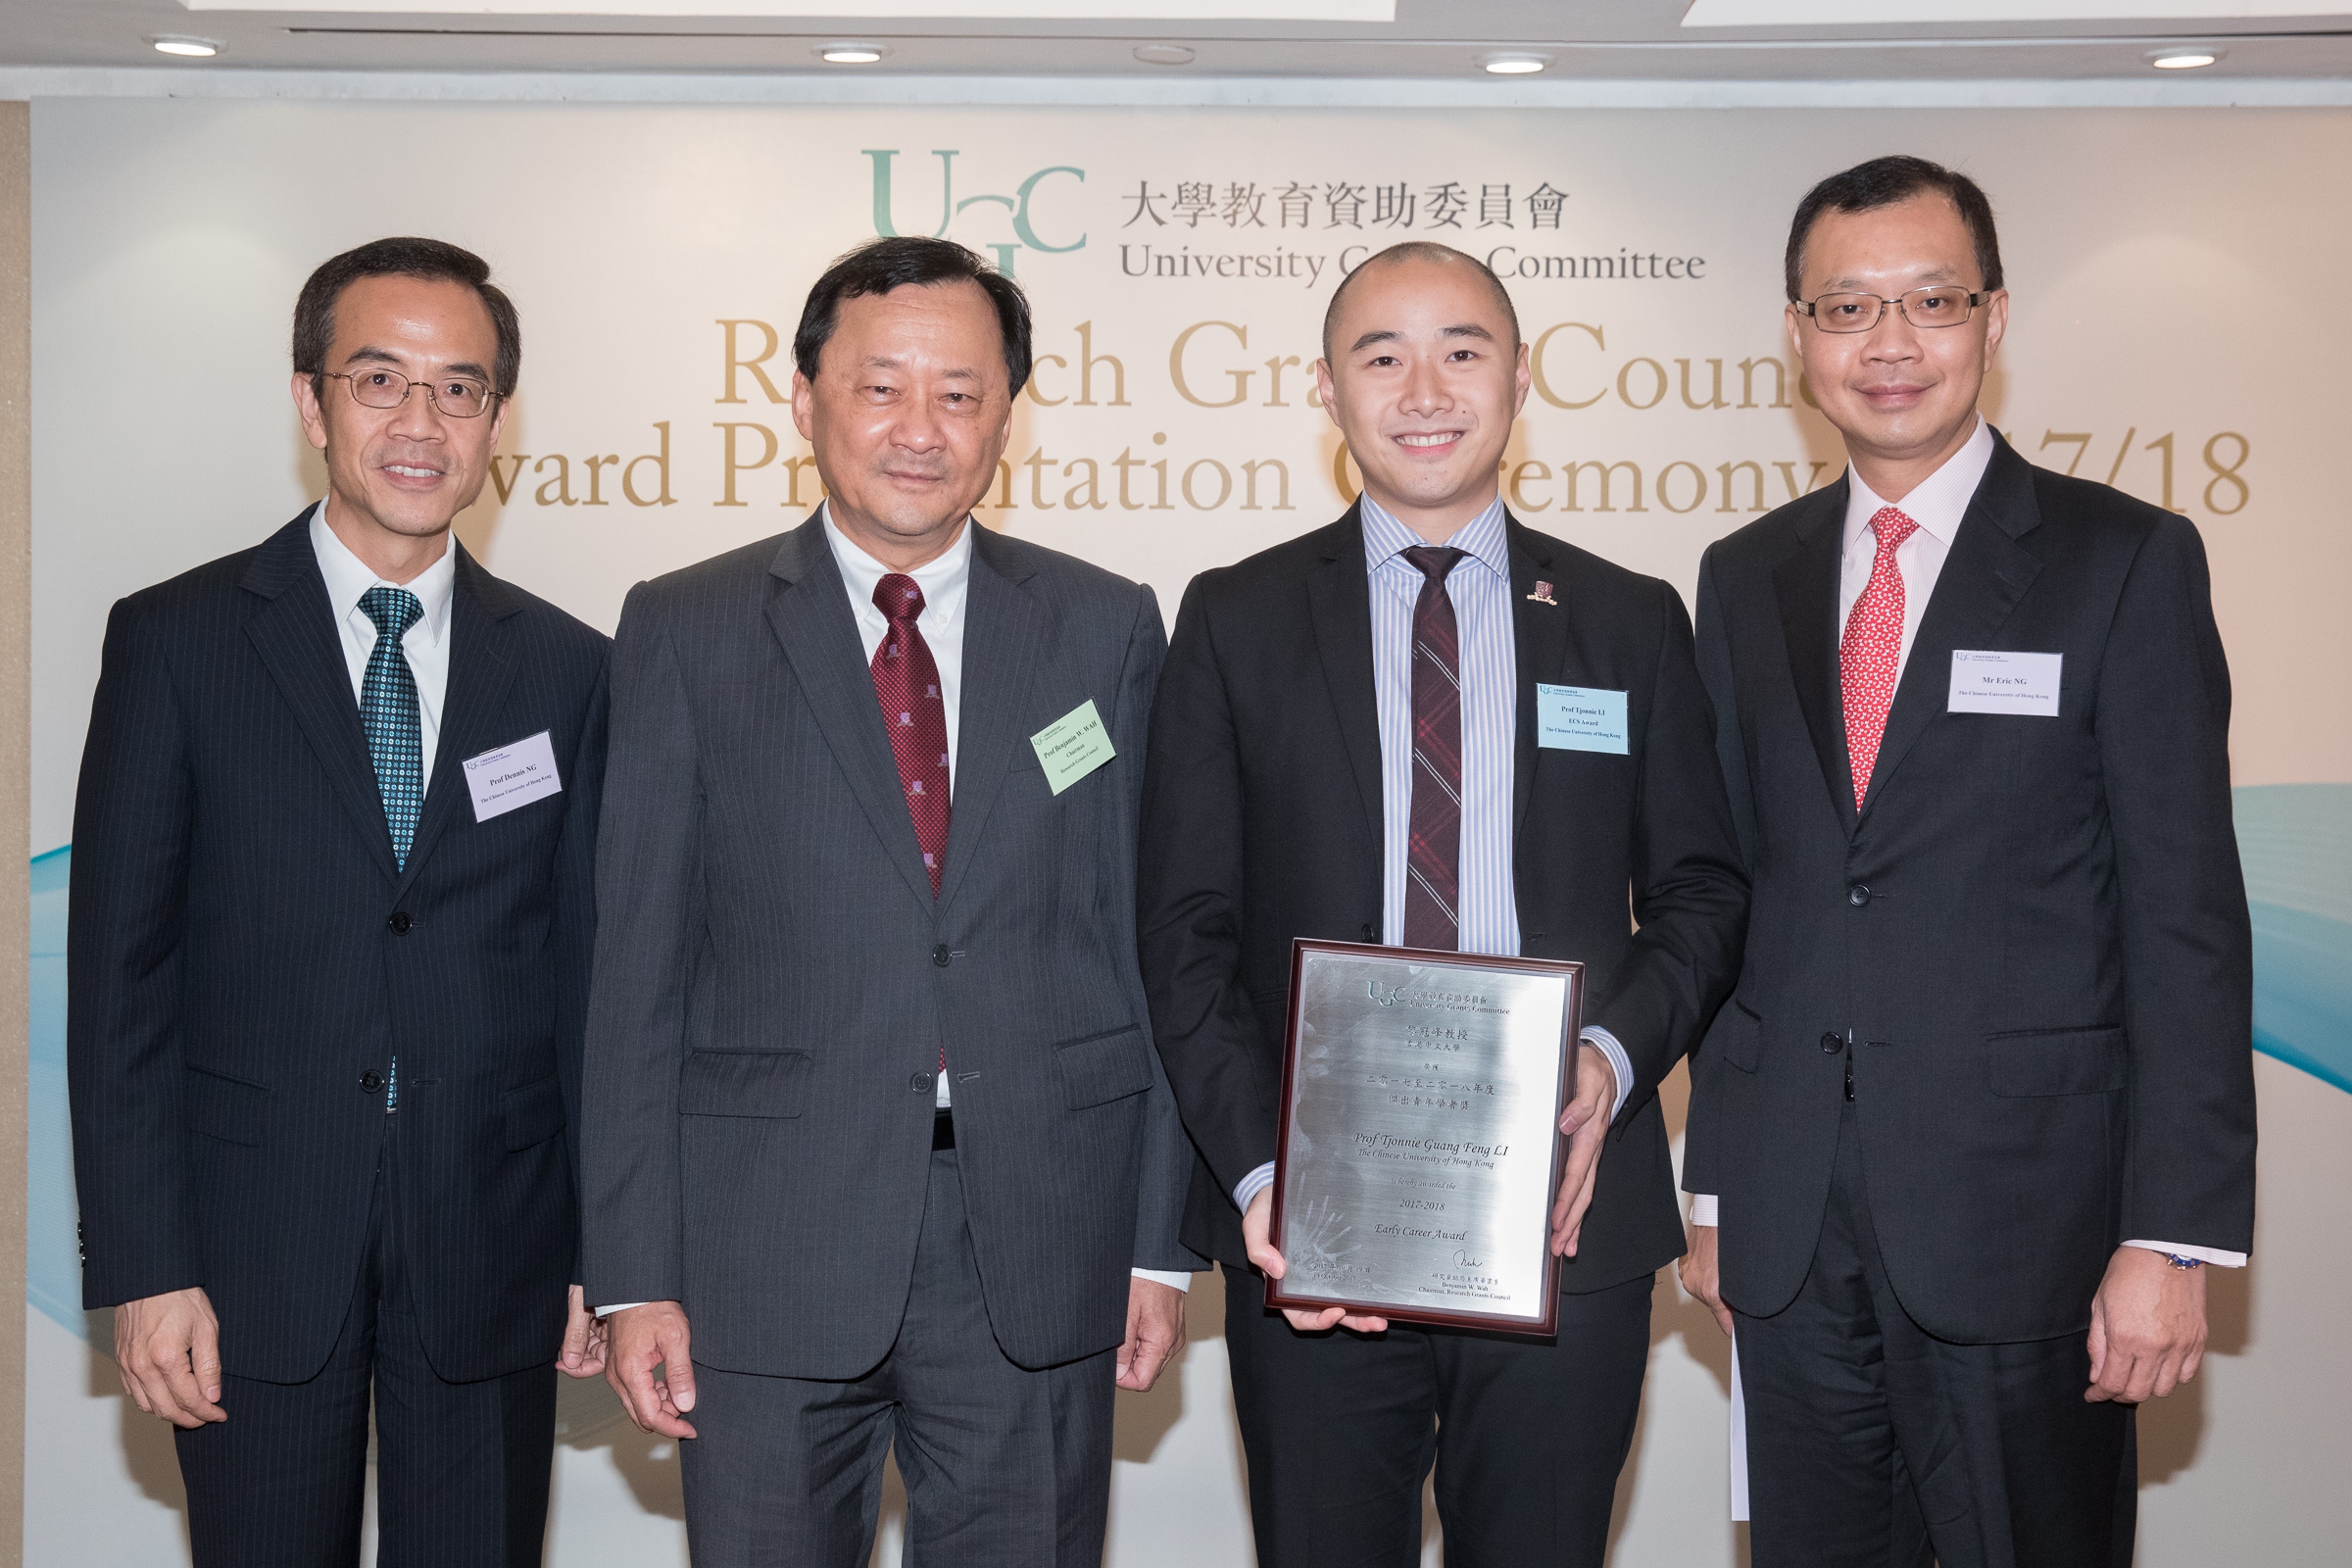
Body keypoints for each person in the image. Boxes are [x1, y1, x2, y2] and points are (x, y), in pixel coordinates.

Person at [1677, 155, 2258, 1567]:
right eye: (1848, 307)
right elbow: (1741, 892)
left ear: (1994, 319)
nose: (1890, 345)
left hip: (2033, 1225)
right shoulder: (1744, 576)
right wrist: (1711, 1183)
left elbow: (2184, 919)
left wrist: (2171, 1237)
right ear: (1798, 336)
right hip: (1793, 1222)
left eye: (1931, 302)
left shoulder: (2123, 561)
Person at [582, 234, 1195, 1567]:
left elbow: (1142, 948)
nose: (922, 429)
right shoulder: (686, 630)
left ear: (1007, 417)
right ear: (804, 398)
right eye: (881, 387)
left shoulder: (1105, 630)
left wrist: (1159, 1241)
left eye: (961, 394)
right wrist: (635, 1271)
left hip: (1036, 1242)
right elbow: (635, 973)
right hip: (760, 1250)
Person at [1136, 241, 1748, 1567]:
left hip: (1561, 1209)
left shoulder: (1628, 620)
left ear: (1521, 380)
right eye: (1382, 354)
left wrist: (1607, 1058)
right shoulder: (1234, 619)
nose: (1425, 387)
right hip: (1309, 1231)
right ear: (1326, 389)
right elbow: (1186, 935)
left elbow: (1703, 894)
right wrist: (1265, 1175)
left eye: (1463, 350)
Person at [68, 237, 612, 1566]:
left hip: (494, 1252)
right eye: (381, 381)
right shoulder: (177, 641)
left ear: (497, 420)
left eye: (461, 390)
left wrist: (612, 1245)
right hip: (248, 1258)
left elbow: (590, 981)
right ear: (311, 403)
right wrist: (145, 1265)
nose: (421, 424)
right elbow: (118, 986)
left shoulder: (570, 667)